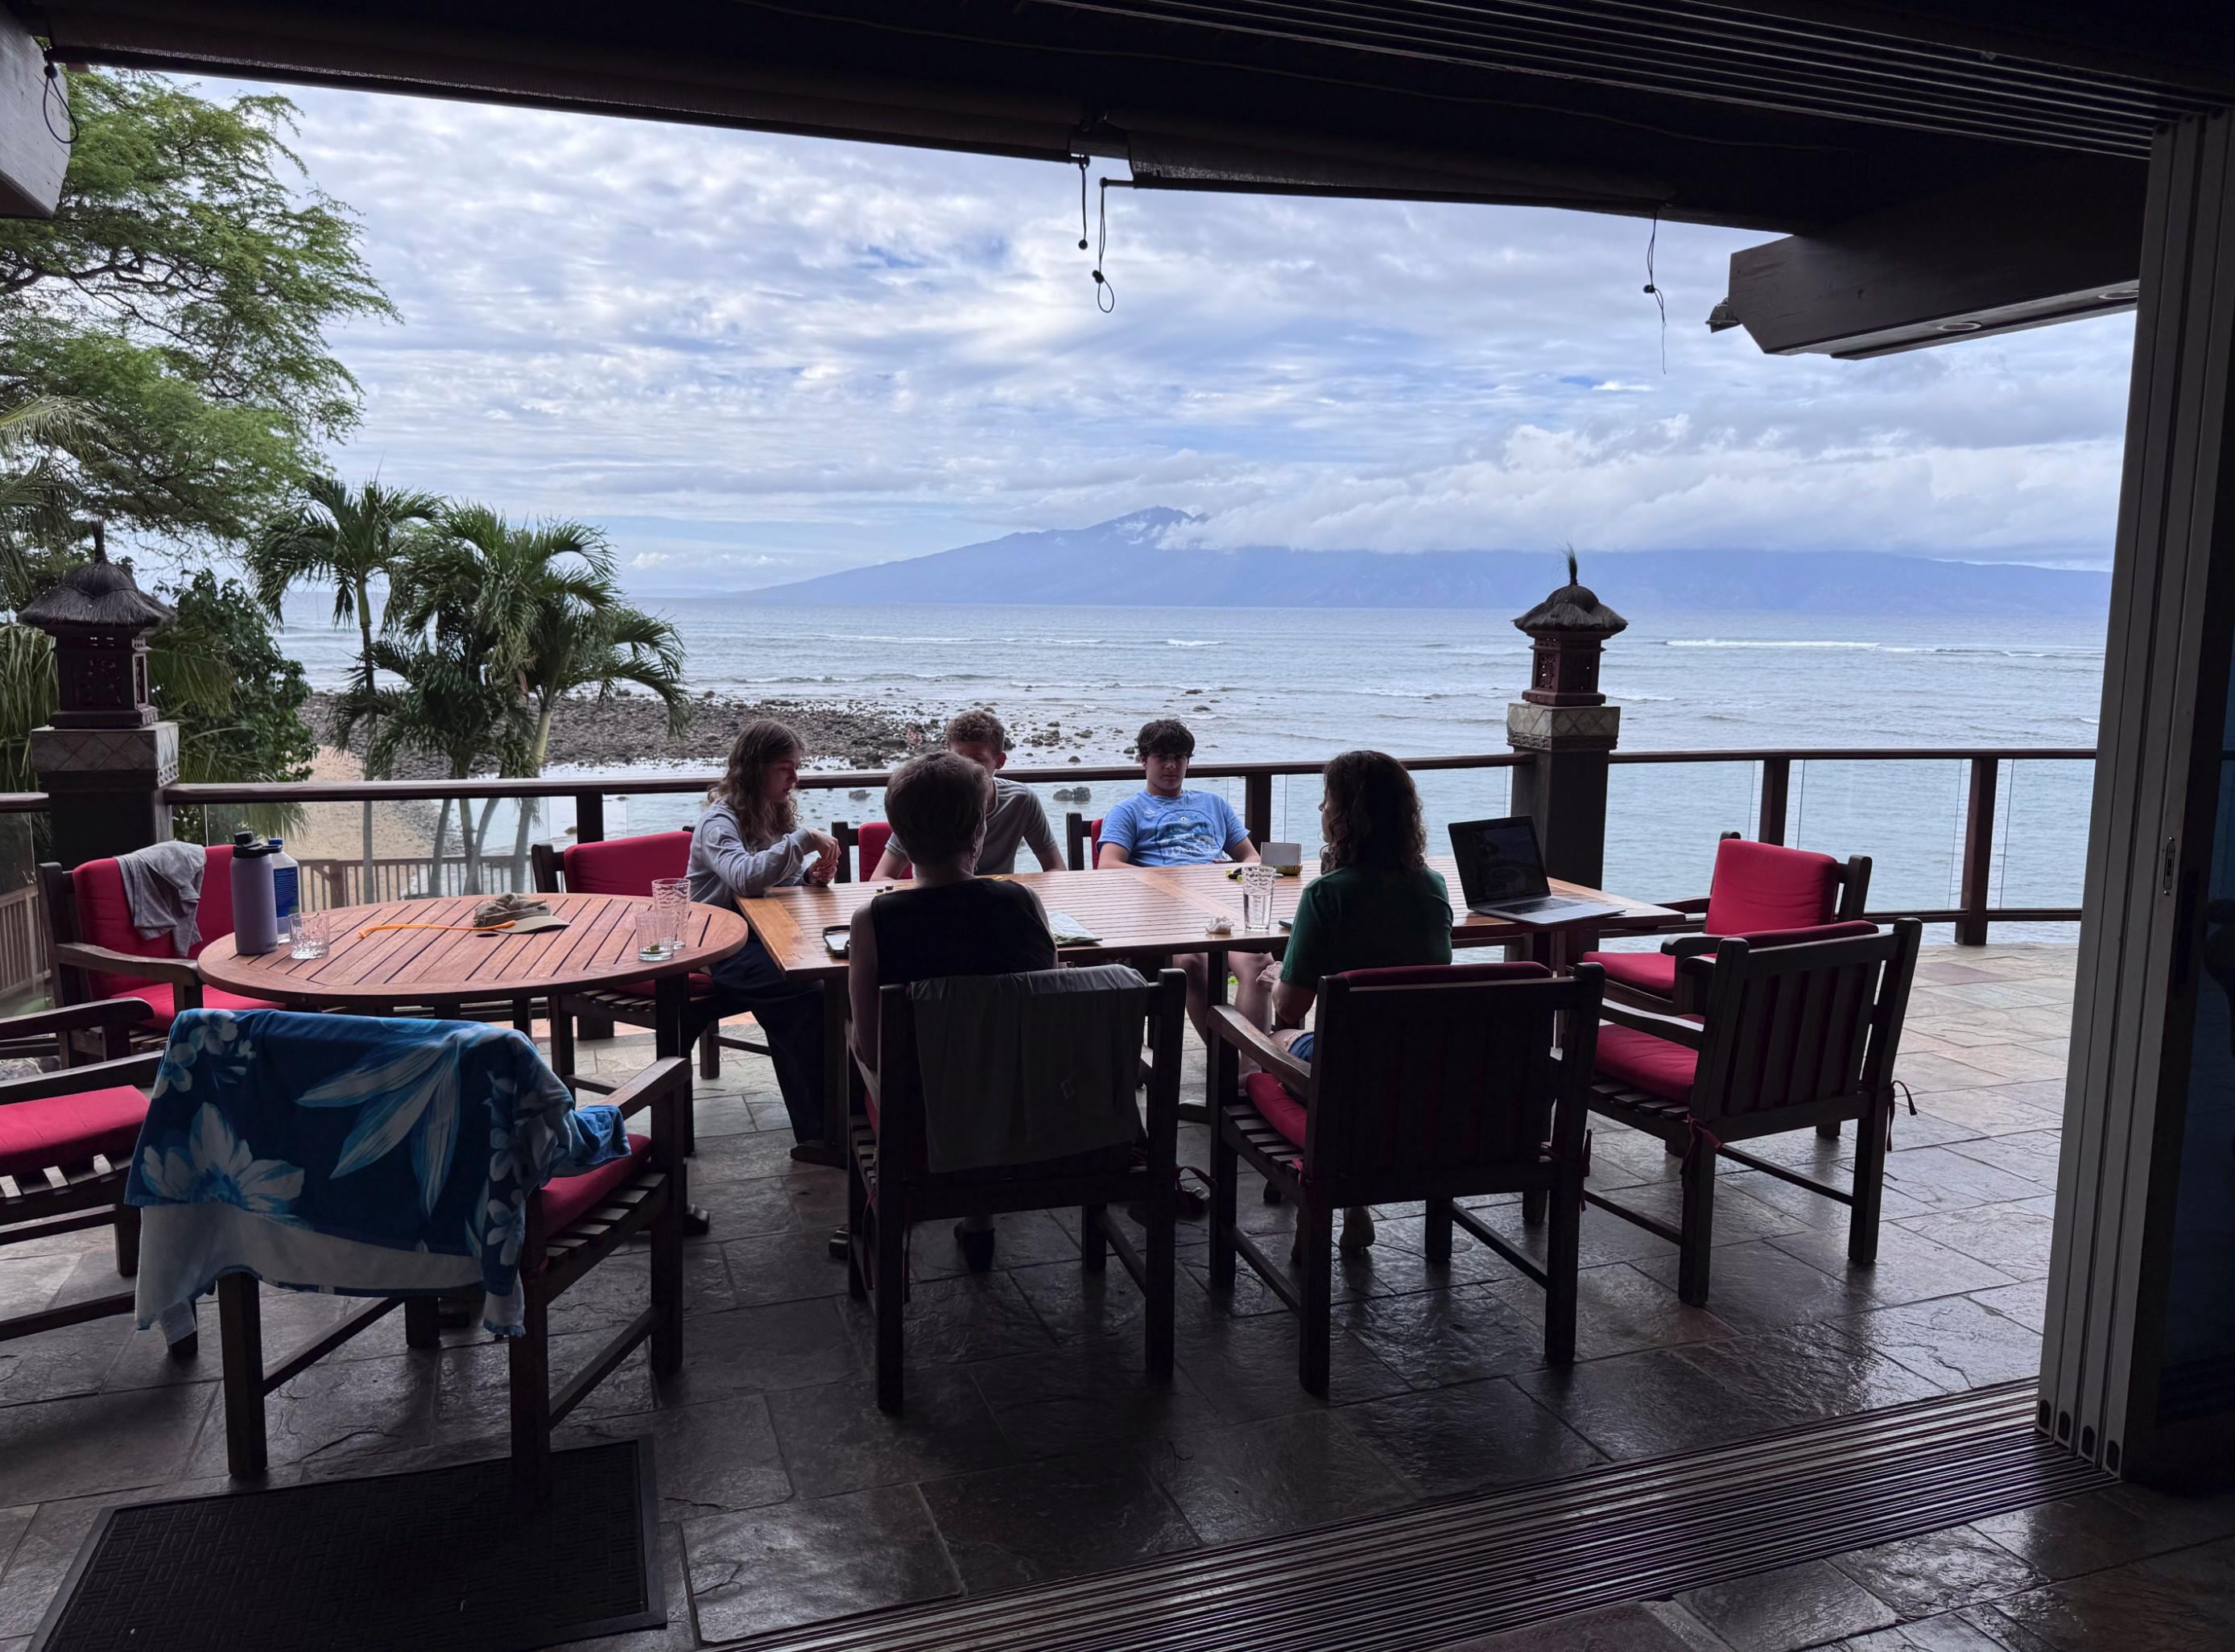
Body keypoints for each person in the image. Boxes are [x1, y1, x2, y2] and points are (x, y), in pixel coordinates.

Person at [849, 750, 1059, 1269]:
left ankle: (875, 1217)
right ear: (978, 834)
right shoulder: (1023, 905)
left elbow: (871, 1049)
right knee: (988, 1055)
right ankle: (980, 1219)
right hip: (1023, 1110)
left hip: (925, 1121)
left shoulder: (873, 920)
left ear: (899, 831)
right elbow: (1049, 1013)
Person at [1254, 749, 1452, 1251]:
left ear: (1344, 816)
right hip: (1424, 1072)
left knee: (1271, 1039)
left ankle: (1318, 1191)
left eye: (1326, 803)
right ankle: (1355, 1203)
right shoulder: (1432, 888)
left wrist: (1277, 977)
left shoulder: (1328, 895)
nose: (1322, 811)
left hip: (1345, 1082)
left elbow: (1292, 1009)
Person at [689, 720, 845, 1166]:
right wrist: (801, 841)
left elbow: (769, 885)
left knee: (826, 993)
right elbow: (743, 877)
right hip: (718, 944)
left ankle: (837, 1123)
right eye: (785, 769)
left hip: (762, 936)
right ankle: (825, 1130)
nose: (795, 779)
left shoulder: (773, 812)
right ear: (756, 769)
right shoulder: (718, 821)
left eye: (796, 768)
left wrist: (809, 878)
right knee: (808, 1000)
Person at [1097, 717, 1270, 1041]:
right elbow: (1109, 866)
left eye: (1179, 758)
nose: (1171, 766)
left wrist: (1238, 871)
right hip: (1166, 912)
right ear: (1143, 760)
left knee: (1259, 961)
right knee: (1191, 962)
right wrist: (1171, 880)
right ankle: (1230, 1066)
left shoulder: (1214, 804)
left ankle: (1253, 1065)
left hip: (1219, 903)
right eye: (1162, 757)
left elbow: (1250, 856)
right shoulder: (1128, 810)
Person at [871, 708, 1063, 878]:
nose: (965, 769)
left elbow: (1056, 868)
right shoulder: (929, 801)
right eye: (958, 758)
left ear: (1000, 761)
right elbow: (882, 877)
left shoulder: (1021, 801)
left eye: (977, 761)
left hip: (997, 902)